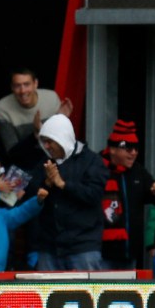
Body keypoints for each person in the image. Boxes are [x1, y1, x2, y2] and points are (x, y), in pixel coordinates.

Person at [25, 113, 108, 271]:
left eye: (50, 141)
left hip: (83, 247)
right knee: (47, 296)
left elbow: (94, 194)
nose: (47, 146)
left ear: (62, 138)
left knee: (86, 295)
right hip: (49, 247)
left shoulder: (92, 161)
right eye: (44, 142)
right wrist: (47, 184)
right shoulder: (44, 163)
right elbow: (29, 196)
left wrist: (63, 184)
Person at [99, 119, 155, 270]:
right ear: (112, 148)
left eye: (136, 148)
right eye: (128, 148)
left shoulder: (138, 172)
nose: (134, 152)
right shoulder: (96, 168)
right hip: (100, 254)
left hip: (129, 255)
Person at [0, 67, 73, 169]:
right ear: (12, 87)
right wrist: (35, 134)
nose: (22, 91)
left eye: (26, 84)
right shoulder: (3, 108)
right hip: (23, 164)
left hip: (53, 160)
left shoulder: (51, 97)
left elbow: (61, 143)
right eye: (17, 86)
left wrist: (61, 120)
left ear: (35, 84)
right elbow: (12, 152)